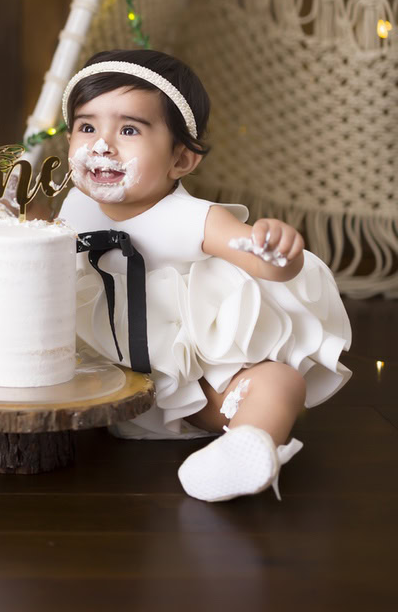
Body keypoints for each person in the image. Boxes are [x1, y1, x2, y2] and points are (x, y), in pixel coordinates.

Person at [53, 48, 352, 502]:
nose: (101, 144)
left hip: (194, 372)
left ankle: (249, 445)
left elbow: (260, 259)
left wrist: (277, 249)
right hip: (109, 374)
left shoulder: (192, 217)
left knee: (277, 383)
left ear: (181, 160)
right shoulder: (75, 207)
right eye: (87, 126)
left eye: (129, 129)